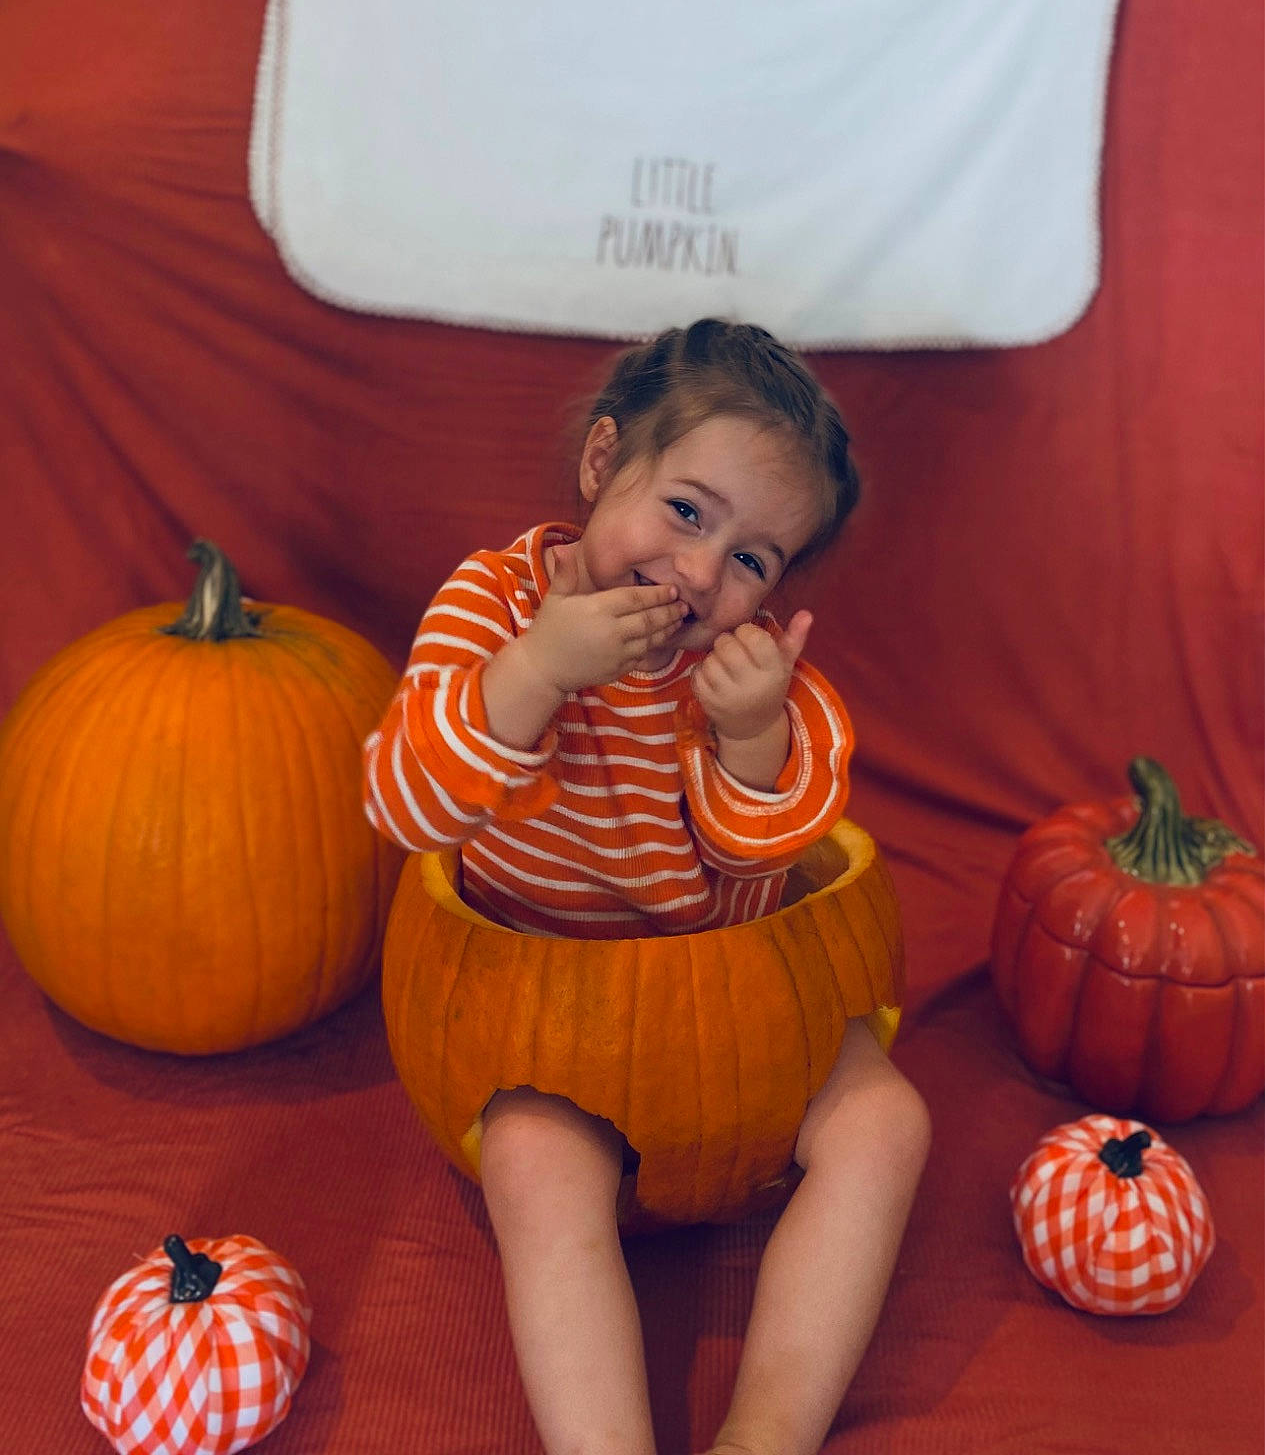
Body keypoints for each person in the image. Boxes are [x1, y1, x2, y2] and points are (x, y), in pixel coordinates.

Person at [364, 318, 930, 1455]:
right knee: (530, 1162)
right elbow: (405, 807)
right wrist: (533, 672)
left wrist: (751, 735)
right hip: (543, 1023)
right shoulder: (492, 608)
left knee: (887, 1122)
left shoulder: (742, 675)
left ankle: (766, 1429)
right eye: (684, 510)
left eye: (754, 557)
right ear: (598, 463)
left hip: (738, 1022)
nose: (701, 573)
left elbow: (757, 856)